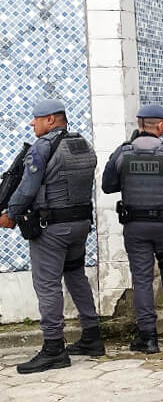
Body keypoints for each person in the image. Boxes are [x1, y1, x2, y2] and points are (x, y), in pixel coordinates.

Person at [0, 100, 103, 374]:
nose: (32, 124)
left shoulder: (42, 147)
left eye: (36, 119)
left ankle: (54, 349)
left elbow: (26, 188)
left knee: (47, 285)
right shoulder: (83, 144)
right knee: (76, 276)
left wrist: (10, 214)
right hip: (80, 225)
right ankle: (92, 337)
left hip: (52, 229)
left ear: (50, 120)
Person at [102, 104, 163, 354]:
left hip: (135, 226)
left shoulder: (122, 152)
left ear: (139, 124)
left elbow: (107, 185)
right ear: (161, 125)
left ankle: (147, 338)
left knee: (142, 279)